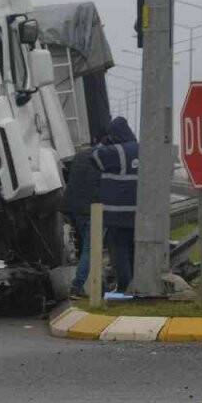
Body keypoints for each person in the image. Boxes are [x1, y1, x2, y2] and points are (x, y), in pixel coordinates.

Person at [92, 117, 139, 293]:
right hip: (138, 212)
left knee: (118, 250)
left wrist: (102, 143)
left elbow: (95, 157)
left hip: (117, 213)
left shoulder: (116, 151)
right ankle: (135, 284)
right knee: (133, 249)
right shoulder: (142, 148)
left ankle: (125, 287)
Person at [62, 144, 102, 298]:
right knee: (91, 249)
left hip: (77, 210)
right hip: (94, 210)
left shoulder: (79, 157)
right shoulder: (102, 161)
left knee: (87, 247)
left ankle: (99, 285)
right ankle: (77, 285)